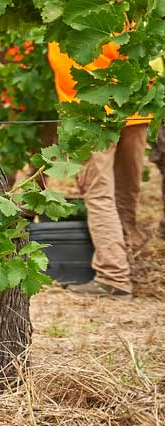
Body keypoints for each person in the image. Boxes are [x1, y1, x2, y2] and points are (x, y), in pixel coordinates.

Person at [47, 41, 151, 297]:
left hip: (90, 112)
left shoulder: (70, 7)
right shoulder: (131, 5)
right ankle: (129, 262)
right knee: (127, 189)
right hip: (133, 107)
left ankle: (113, 276)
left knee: (99, 194)